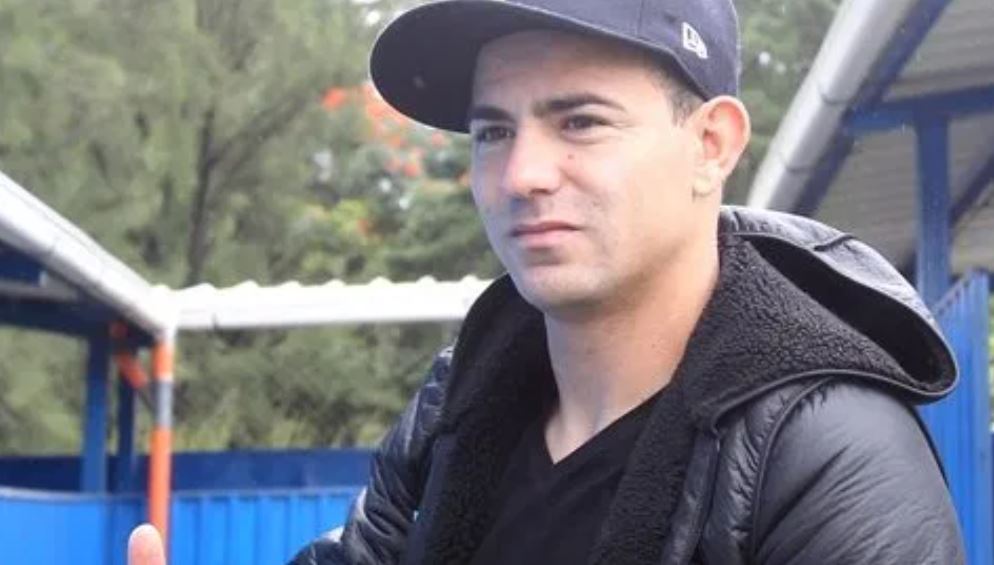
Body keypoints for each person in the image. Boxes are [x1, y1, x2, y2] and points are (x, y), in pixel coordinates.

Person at [131, 1, 965, 563]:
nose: (522, 174)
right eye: (493, 132)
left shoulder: (829, 457)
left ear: (711, 145)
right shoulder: (459, 405)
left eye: (581, 121)